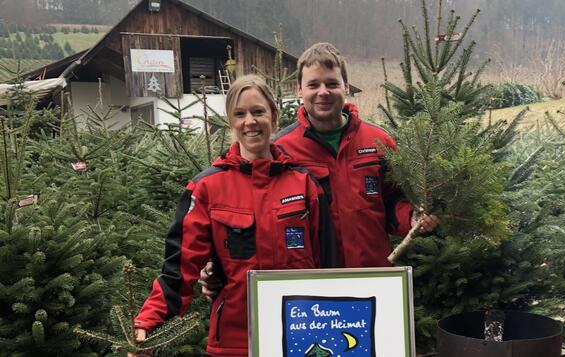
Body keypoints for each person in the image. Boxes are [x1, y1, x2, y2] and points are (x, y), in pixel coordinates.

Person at [200, 43, 438, 296]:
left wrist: (412, 218)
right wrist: (218, 269)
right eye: (313, 85)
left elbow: (393, 200)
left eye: (332, 84)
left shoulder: (379, 141)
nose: (323, 92)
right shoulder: (281, 150)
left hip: (372, 278)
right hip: (310, 288)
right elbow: (254, 216)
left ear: (346, 87)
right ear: (299, 89)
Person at [132, 75, 333, 357]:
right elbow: (180, 267)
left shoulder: (304, 184)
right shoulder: (206, 188)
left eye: (258, 111)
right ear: (231, 121)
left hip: (302, 337)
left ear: (273, 117)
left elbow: (329, 266)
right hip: (234, 342)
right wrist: (149, 323)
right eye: (240, 114)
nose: (250, 121)